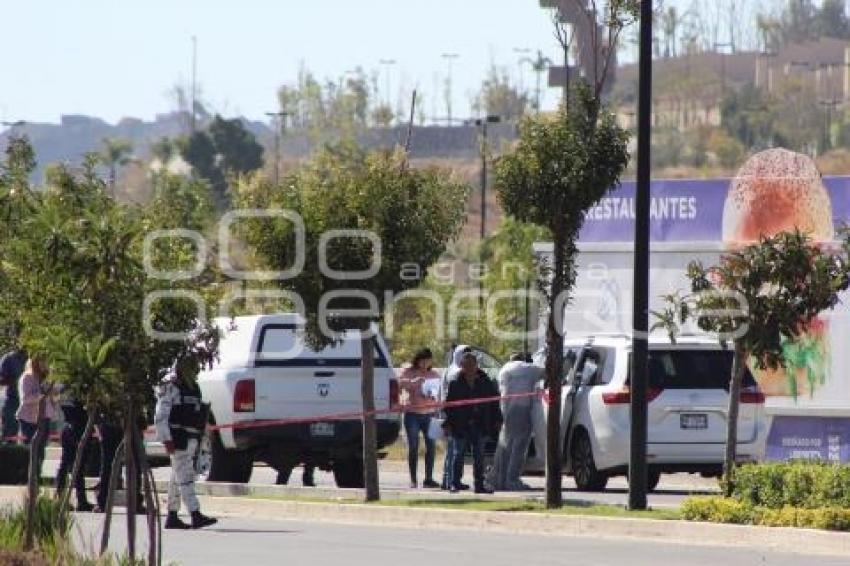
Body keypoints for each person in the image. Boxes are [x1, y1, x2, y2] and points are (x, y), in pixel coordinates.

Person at [155, 355, 217, 529]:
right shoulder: (170, 388)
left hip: (191, 440)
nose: (196, 369)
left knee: (177, 477)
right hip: (178, 439)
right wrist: (166, 439)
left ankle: (172, 515)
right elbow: (161, 416)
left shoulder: (194, 388)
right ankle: (195, 514)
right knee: (186, 478)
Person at [443, 352, 502, 494]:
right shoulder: (455, 383)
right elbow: (449, 405)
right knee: (458, 455)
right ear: (461, 367)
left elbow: (494, 402)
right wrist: (448, 423)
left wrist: (498, 419)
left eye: (472, 365)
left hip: (480, 425)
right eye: (466, 365)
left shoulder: (486, 382)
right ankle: (455, 483)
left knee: (479, 456)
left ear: (477, 366)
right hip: (460, 425)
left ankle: (479, 485)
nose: (469, 368)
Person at [490, 353, 543, 491]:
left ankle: (499, 479)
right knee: (519, 447)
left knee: (505, 446)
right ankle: (512, 480)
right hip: (522, 409)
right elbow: (546, 372)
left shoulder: (504, 369)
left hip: (506, 410)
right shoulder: (528, 368)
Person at [398, 348, 440, 489]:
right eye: (422, 361)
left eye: (427, 361)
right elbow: (400, 385)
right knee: (414, 446)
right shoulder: (409, 372)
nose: (424, 364)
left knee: (431, 446)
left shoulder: (434, 374)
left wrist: (433, 395)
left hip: (429, 414)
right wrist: (413, 382)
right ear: (417, 360)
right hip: (412, 414)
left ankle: (428, 478)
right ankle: (413, 479)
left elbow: (438, 393)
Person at [55, 391, 94, 511]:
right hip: (77, 429)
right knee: (75, 466)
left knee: (69, 465)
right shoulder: (78, 394)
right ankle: (68, 499)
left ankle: (69, 499)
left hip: (70, 428)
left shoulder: (67, 394)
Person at [440, 345, 472, 491]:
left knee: (454, 449)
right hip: (453, 415)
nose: (467, 357)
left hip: (458, 415)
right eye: (465, 354)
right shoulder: (456, 372)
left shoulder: (451, 369)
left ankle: (450, 479)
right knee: (455, 450)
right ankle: (450, 480)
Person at [16, 358, 55, 477]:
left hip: (44, 417)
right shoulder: (27, 377)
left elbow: (52, 397)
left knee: (41, 449)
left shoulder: (47, 379)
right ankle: (27, 476)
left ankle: (37, 475)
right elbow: (26, 399)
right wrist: (41, 395)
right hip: (29, 418)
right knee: (30, 448)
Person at [0, 346, 27, 442]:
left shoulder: (35, 357)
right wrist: (12, 380)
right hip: (13, 399)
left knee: (30, 435)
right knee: (9, 433)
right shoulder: (9, 359)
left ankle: (32, 456)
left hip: (31, 402)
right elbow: (2, 379)